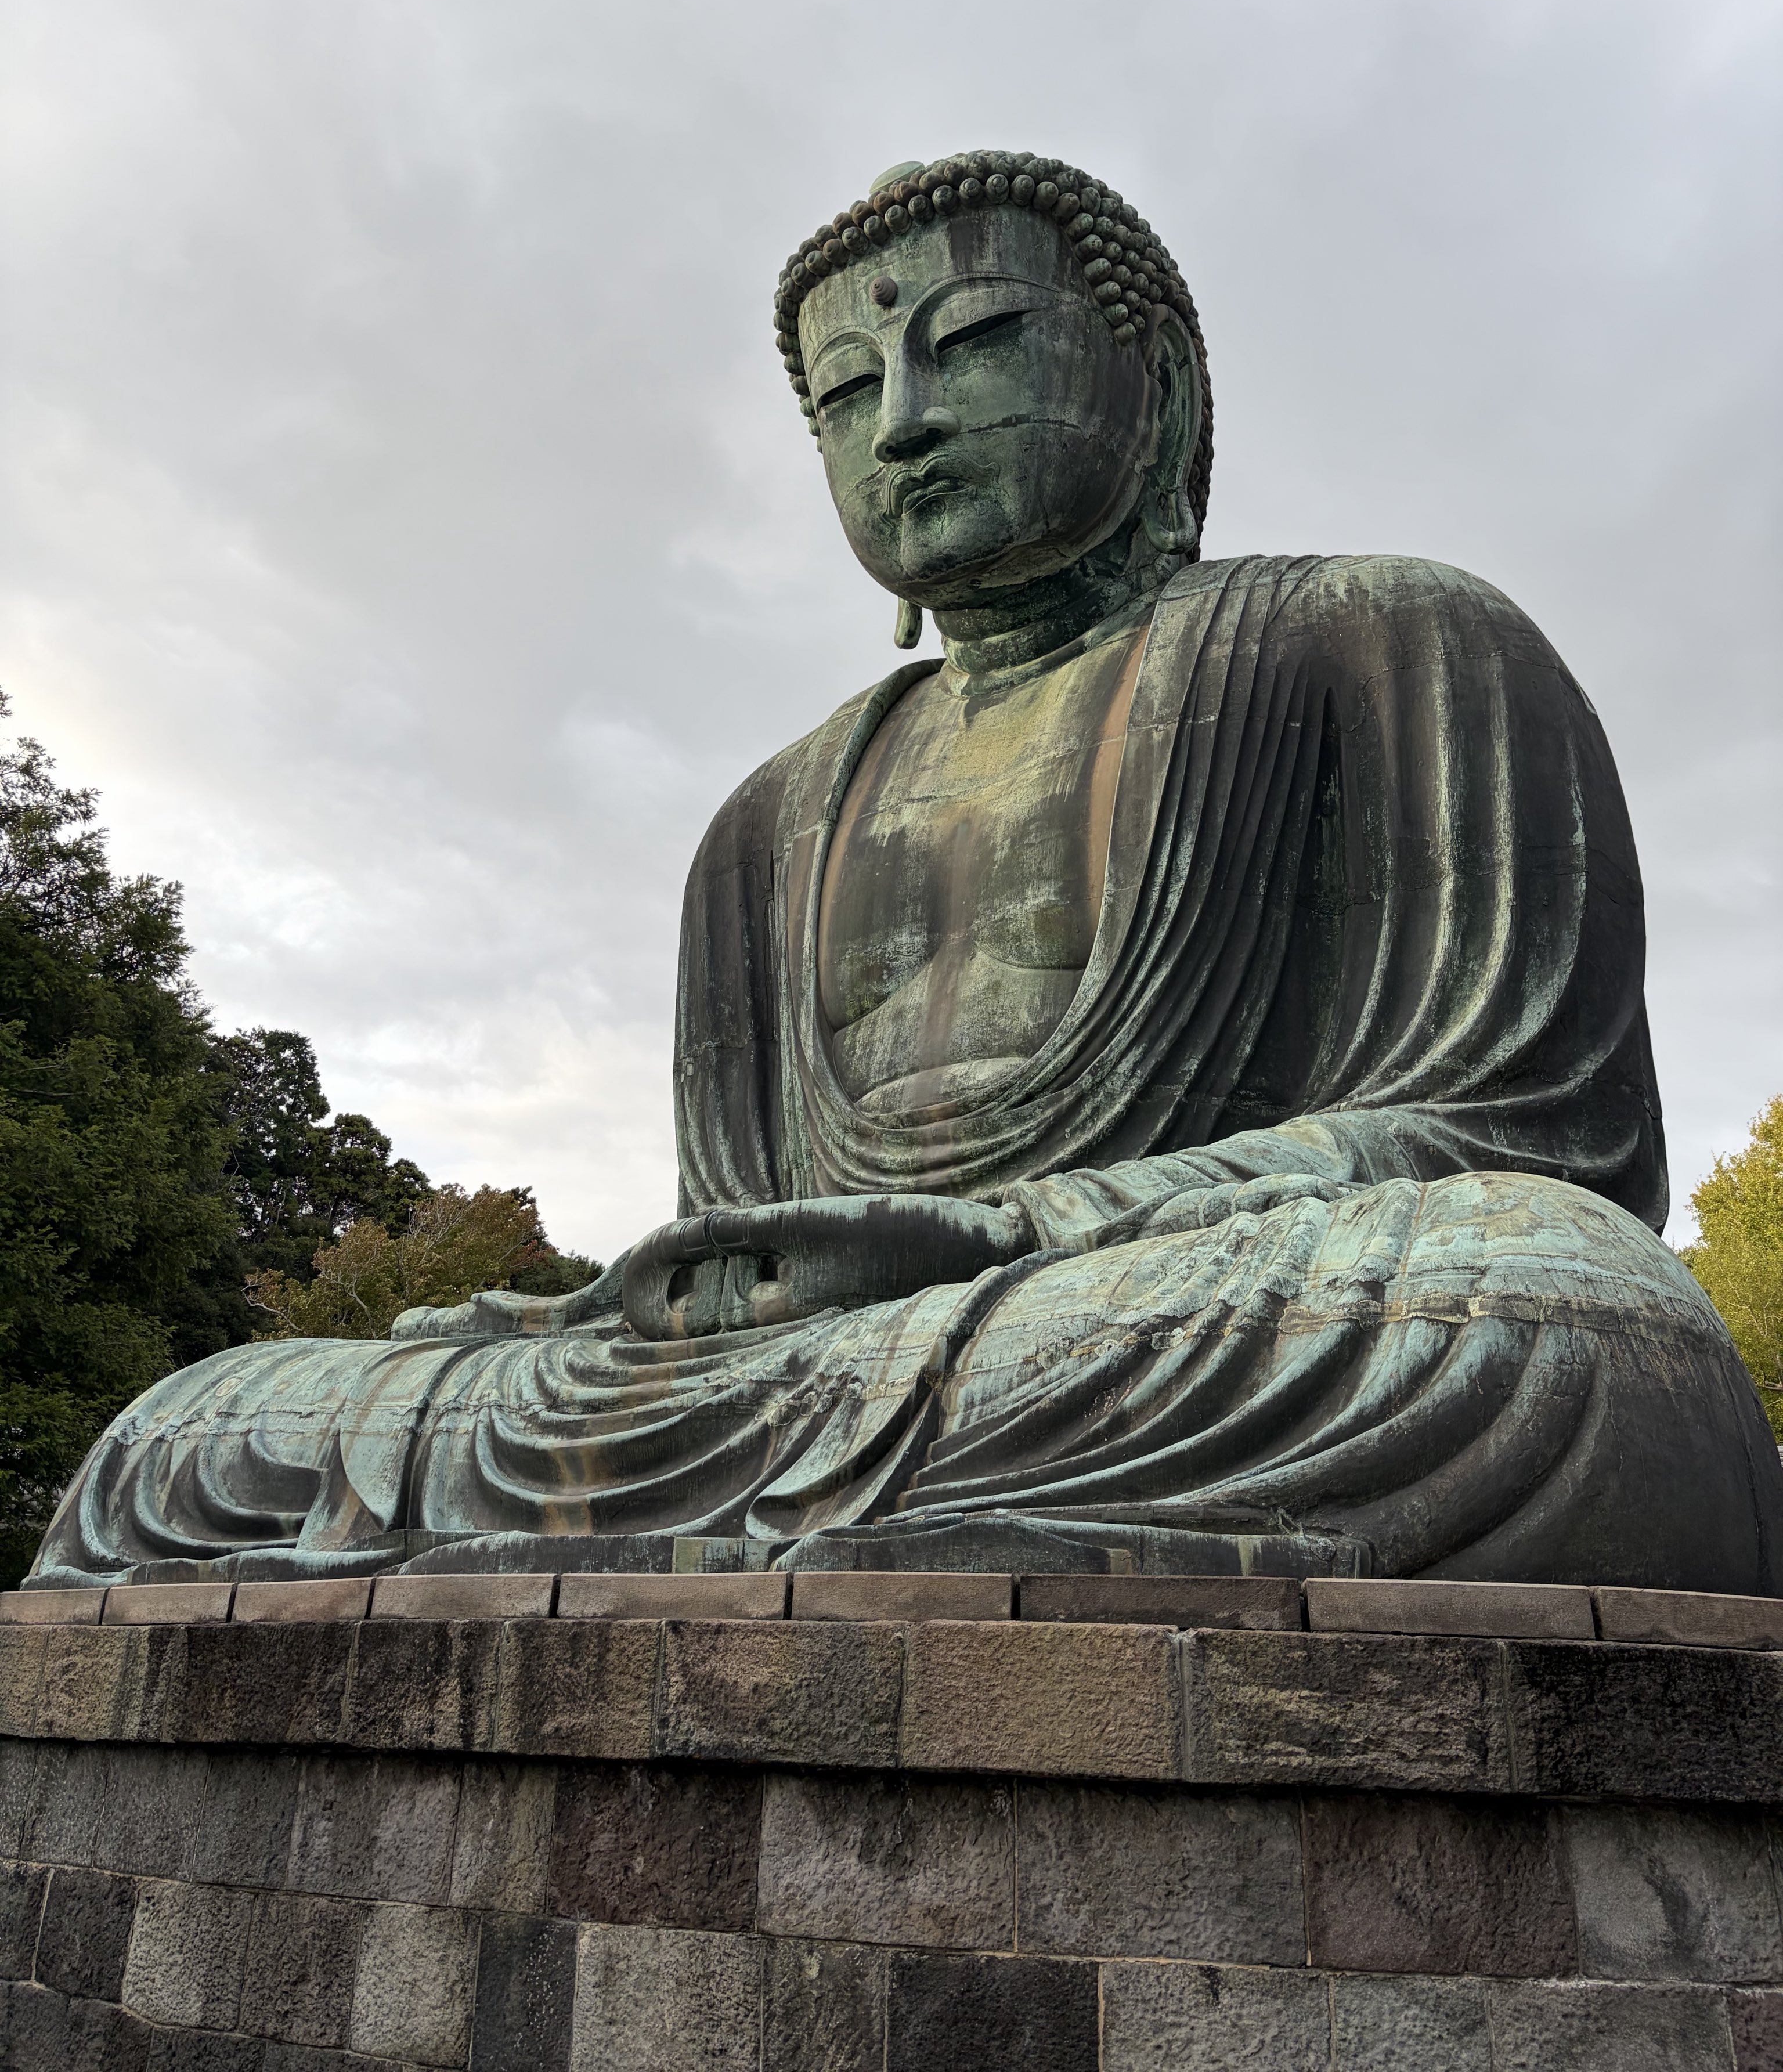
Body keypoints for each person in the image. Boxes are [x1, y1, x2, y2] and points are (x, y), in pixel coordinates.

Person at [31, 151, 1780, 1593]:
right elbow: (735, 1261)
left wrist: (1013, 1232)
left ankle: (739, 1531)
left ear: (1154, 380)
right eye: (848, 394)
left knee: (1570, 1325)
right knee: (192, 1430)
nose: (906, 424)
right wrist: (640, 1305)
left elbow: (1530, 1143)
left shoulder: (1385, 640)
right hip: (811, 1389)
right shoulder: (763, 825)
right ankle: (734, 1526)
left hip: (1150, 1314)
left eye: (980, 345)